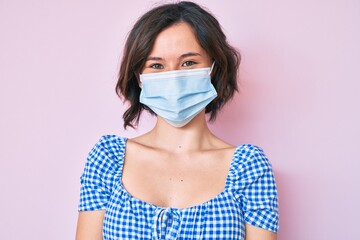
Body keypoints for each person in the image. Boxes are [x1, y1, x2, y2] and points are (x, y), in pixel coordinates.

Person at [75, 1, 279, 239]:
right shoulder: (107, 158)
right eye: (156, 65)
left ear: (214, 68)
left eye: (189, 63)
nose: (173, 77)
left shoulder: (249, 167)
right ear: (139, 78)